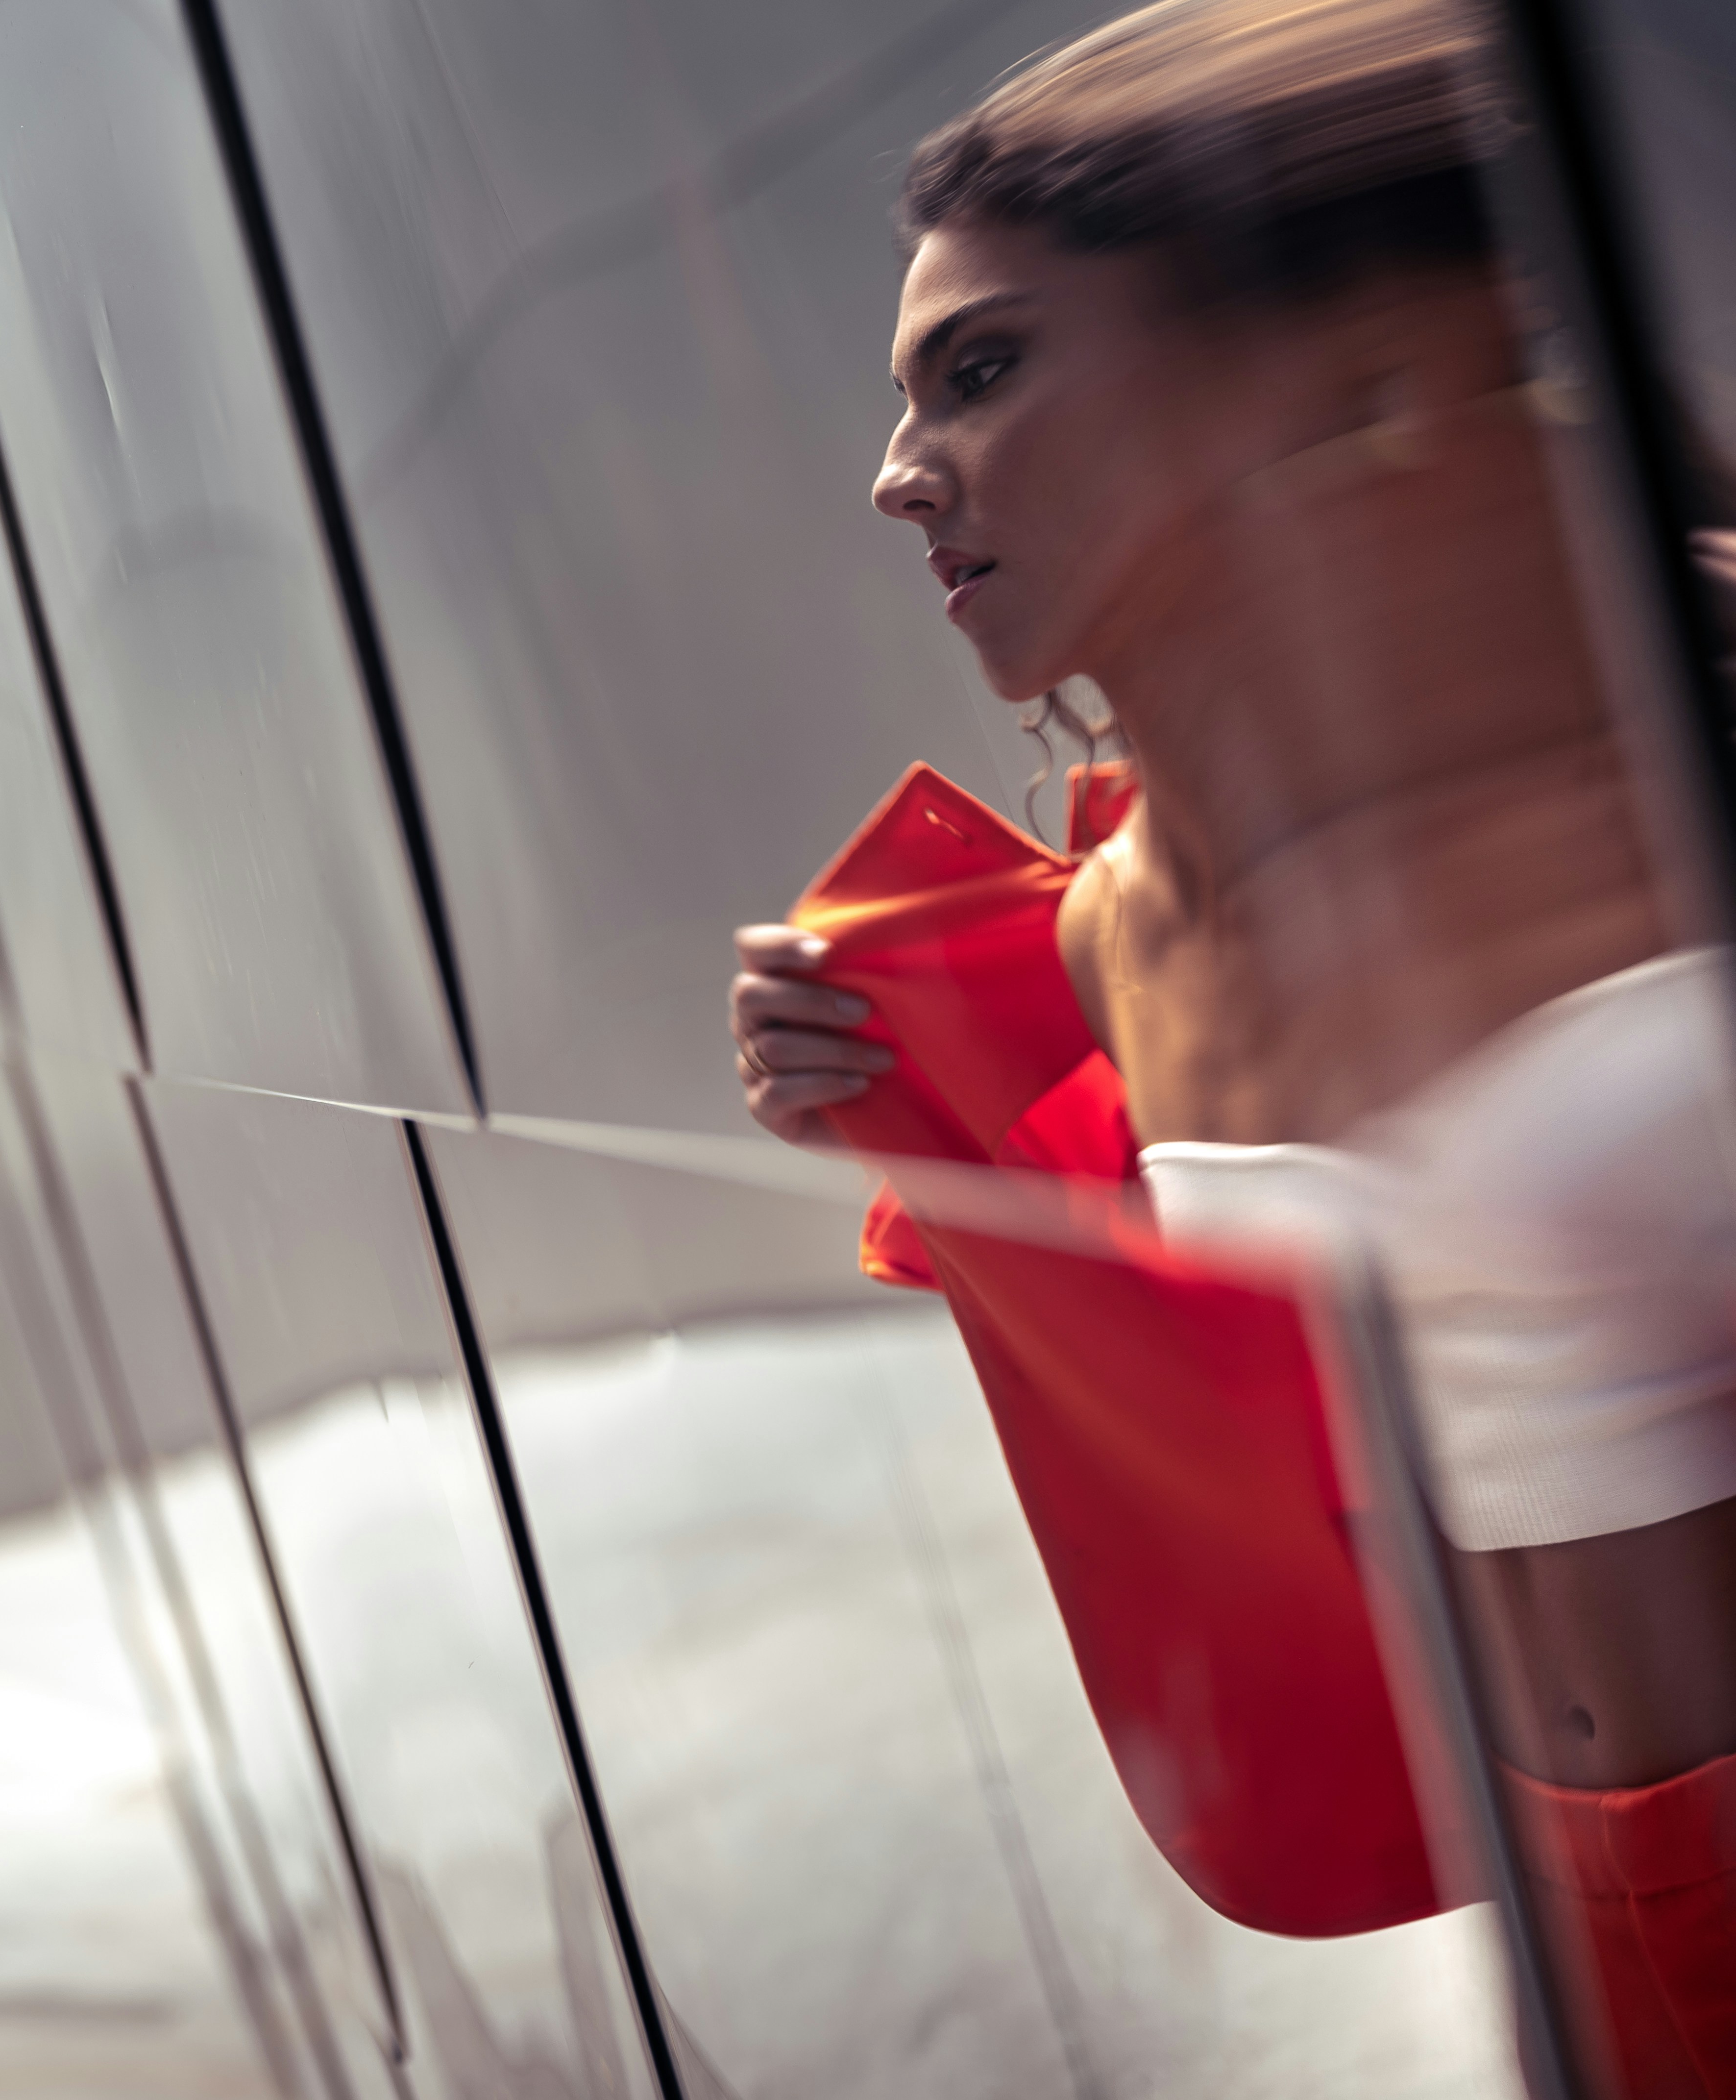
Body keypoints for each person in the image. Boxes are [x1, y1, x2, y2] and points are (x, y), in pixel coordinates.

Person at [727, 0, 1736, 2085]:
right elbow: (1171, 1336)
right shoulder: (1111, 920)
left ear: (1343, 359)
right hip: (1580, 1895)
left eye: (980, 370)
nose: (893, 477)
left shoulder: (1686, 729)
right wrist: (873, 1076)